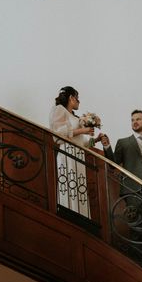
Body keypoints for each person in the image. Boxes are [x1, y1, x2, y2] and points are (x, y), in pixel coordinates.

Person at [49, 86, 96, 218]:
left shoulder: (74, 117)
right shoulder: (59, 110)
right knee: (69, 185)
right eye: (77, 98)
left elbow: (83, 142)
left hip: (78, 154)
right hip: (67, 153)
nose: (79, 101)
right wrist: (83, 130)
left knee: (79, 186)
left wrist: (95, 140)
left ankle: (81, 216)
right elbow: (57, 134)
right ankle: (69, 215)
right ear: (71, 98)